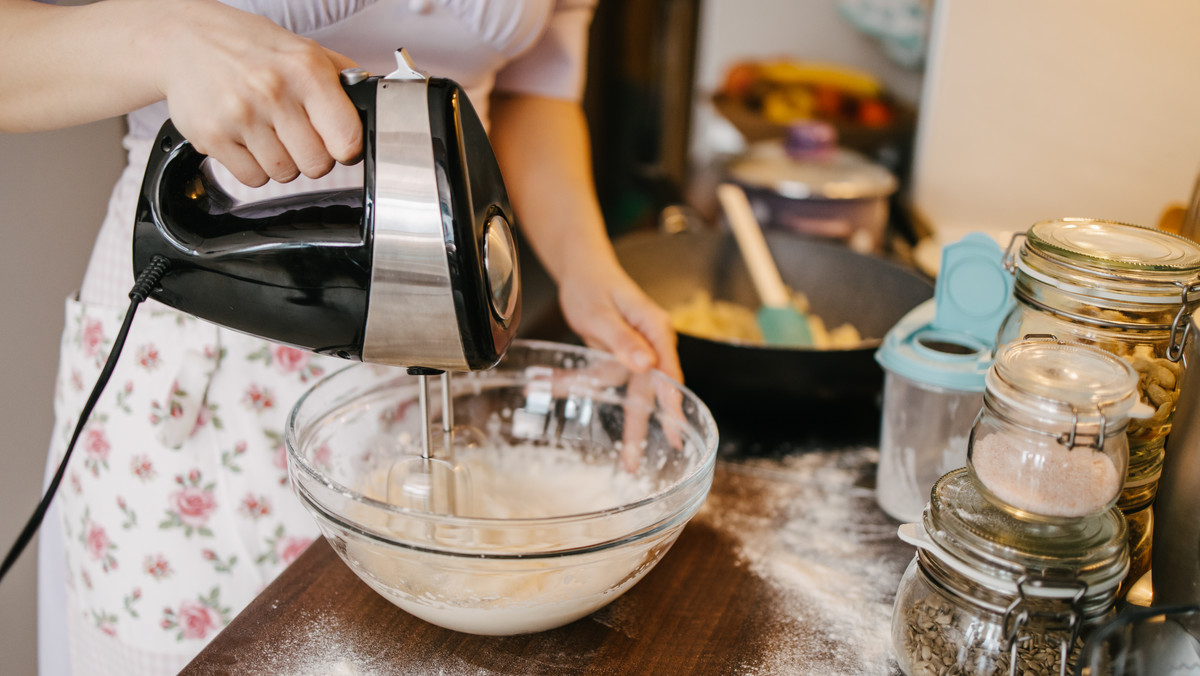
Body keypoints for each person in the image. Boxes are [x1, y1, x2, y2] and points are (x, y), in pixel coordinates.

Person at [0, 1, 682, 673]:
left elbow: (534, 86)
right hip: (203, 380)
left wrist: (586, 265)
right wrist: (162, 39)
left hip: (424, 350)